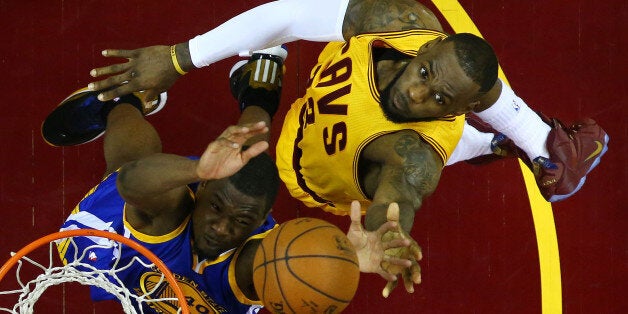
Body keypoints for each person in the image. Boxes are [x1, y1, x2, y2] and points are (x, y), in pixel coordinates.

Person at [85, 0, 608, 296]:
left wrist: (385, 235)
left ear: (452, 108)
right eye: (424, 73)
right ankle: (537, 143)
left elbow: (397, 198)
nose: (416, 93)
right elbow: (289, 14)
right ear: (421, 44)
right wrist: (179, 59)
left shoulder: (414, 156)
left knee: (450, 149)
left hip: (325, 178)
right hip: (313, 115)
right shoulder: (395, 22)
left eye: (440, 98)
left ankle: (505, 141)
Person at [43, 63, 412, 311]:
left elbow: (302, 269)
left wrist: (345, 257)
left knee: (252, 150)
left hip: (186, 275)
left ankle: (257, 92)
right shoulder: (173, 206)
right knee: (129, 168)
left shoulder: (260, 266)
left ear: (263, 223)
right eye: (216, 209)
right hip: (135, 238)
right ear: (201, 192)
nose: (221, 228)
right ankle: (123, 102)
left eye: (241, 221)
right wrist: (196, 170)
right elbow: (131, 183)